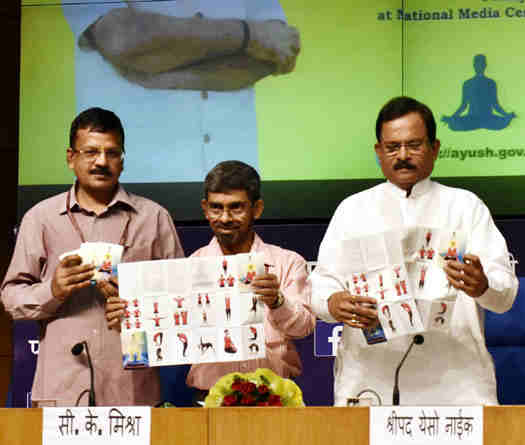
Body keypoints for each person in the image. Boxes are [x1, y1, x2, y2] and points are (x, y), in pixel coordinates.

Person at [310, 96, 518, 406]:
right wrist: (334, 302)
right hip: (372, 378)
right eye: (392, 147)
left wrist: (483, 285)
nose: (403, 156)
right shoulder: (352, 210)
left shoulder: (465, 206)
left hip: (456, 383)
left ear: (435, 148)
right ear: (378, 152)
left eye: (414, 145)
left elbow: (505, 295)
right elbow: (320, 285)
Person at [1, 107, 184, 406]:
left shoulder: (154, 218)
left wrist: (141, 311)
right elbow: (11, 298)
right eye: (91, 152)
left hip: (132, 393)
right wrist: (53, 290)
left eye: (112, 153)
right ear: (71, 158)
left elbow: (182, 301)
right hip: (62, 392)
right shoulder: (41, 218)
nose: (102, 162)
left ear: (123, 160)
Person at [106, 160, 314, 400]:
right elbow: (159, 336)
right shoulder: (187, 268)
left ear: (257, 208)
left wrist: (277, 301)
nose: (225, 218)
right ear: (205, 208)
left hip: (276, 399)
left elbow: (304, 328)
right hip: (208, 401)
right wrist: (129, 319)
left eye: (236, 207)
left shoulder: (287, 262)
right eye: (216, 208)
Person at [62, 1, 300, 182]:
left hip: (234, 185)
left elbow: (278, 51)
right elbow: (123, 38)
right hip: (135, 183)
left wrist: (158, 73)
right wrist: (250, 35)